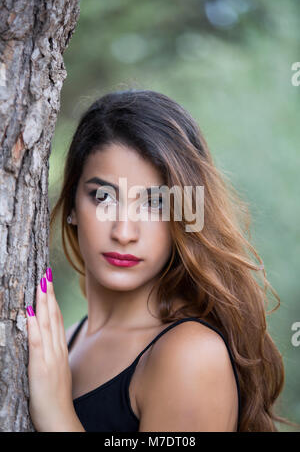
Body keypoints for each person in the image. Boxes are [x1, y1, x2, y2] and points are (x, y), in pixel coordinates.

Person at [25, 89, 294, 432]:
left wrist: (56, 416)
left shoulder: (191, 355)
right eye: (103, 197)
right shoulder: (63, 340)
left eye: (154, 204)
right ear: (74, 205)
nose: (124, 232)